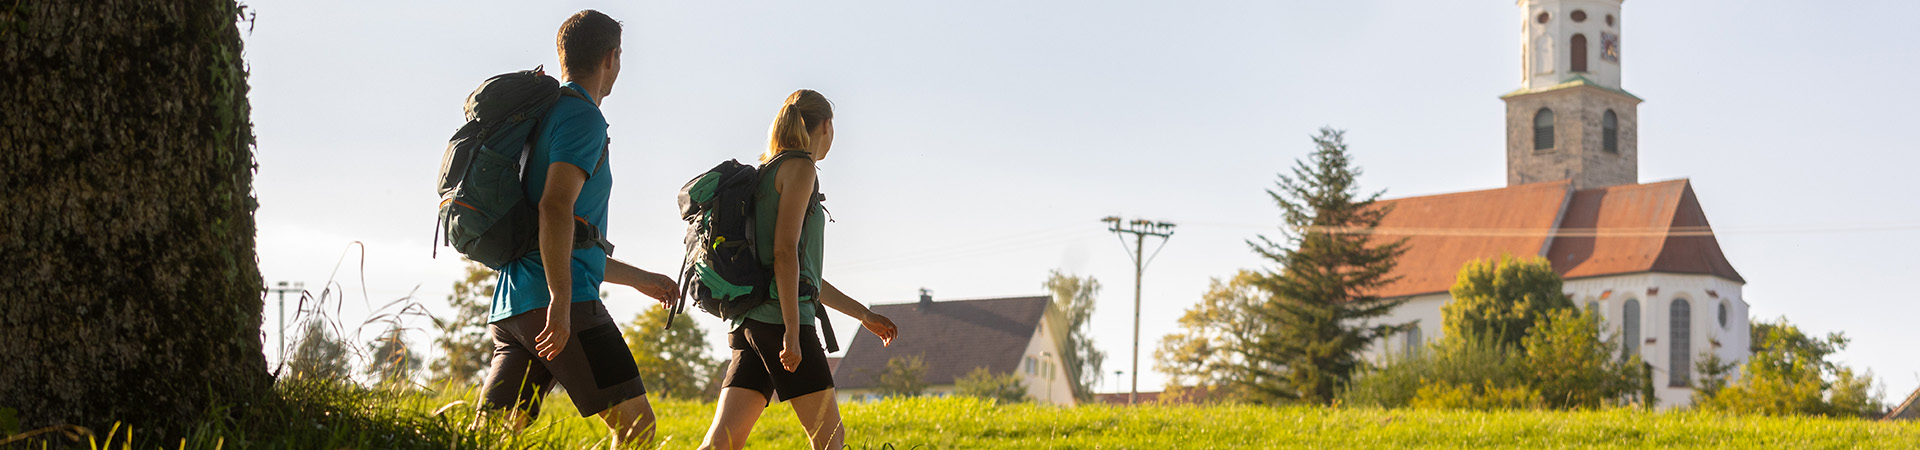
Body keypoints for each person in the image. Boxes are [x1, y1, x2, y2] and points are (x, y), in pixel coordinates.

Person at [477, 10, 678, 448]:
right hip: (563, 308)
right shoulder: (583, 118)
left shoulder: (546, 114)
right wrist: (562, 300)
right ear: (611, 58)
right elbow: (554, 210)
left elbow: (568, 237)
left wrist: (640, 279)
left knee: (491, 438)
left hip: (514, 307)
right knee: (637, 427)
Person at [696, 90, 900, 450]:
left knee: (722, 443)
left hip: (750, 324)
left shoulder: (768, 171)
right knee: (829, 441)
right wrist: (792, 330)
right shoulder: (801, 168)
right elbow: (784, 253)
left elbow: (803, 273)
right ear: (826, 126)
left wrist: (863, 315)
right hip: (781, 321)